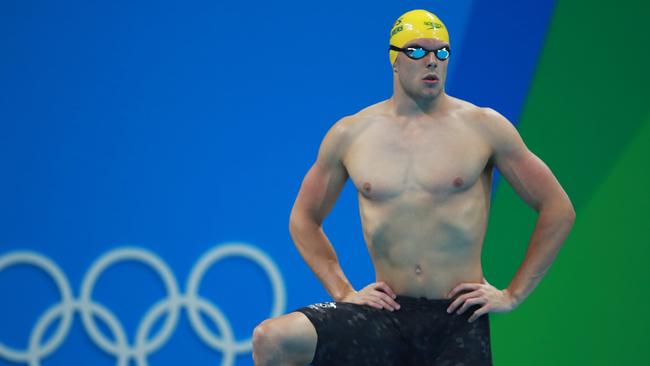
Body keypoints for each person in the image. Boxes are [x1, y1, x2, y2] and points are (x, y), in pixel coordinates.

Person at [252, 8, 575, 366]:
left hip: (458, 320)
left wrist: (513, 294)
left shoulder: (484, 127)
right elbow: (303, 218)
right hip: (385, 314)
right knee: (273, 339)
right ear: (394, 58)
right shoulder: (351, 134)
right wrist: (343, 291)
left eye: (441, 52)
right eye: (418, 51)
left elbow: (558, 209)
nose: (432, 61)